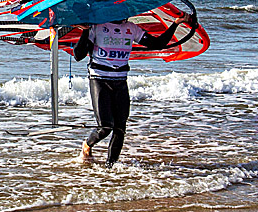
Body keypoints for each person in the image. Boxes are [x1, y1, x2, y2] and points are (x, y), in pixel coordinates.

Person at [72, 10, 195, 166]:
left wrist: (175, 24)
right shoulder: (96, 27)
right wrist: (85, 30)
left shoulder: (132, 28)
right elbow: (78, 55)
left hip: (121, 81)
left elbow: (158, 44)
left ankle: (111, 167)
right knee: (105, 127)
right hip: (99, 79)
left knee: (120, 129)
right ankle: (87, 145)